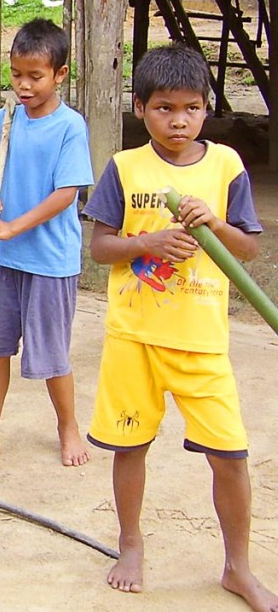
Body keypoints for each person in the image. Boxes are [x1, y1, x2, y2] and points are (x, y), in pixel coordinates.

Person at [84, 44, 277, 610]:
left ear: (205, 109)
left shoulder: (227, 167)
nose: (178, 120)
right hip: (134, 338)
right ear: (140, 108)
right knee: (130, 446)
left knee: (230, 455)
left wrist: (213, 221)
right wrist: (147, 242)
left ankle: (238, 567)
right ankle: (131, 544)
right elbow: (99, 248)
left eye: (191, 108)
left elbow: (249, 250)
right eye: (164, 108)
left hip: (202, 342)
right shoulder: (124, 168)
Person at [0, 17, 93, 470]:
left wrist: (12, 227)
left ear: (60, 75)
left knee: (51, 356)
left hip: (51, 260)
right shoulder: (5, 118)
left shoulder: (70, 127)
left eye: (35, 76)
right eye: (16, 75)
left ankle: (67, 427)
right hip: (7, 258)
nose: (24, 85)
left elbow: (66, 194)